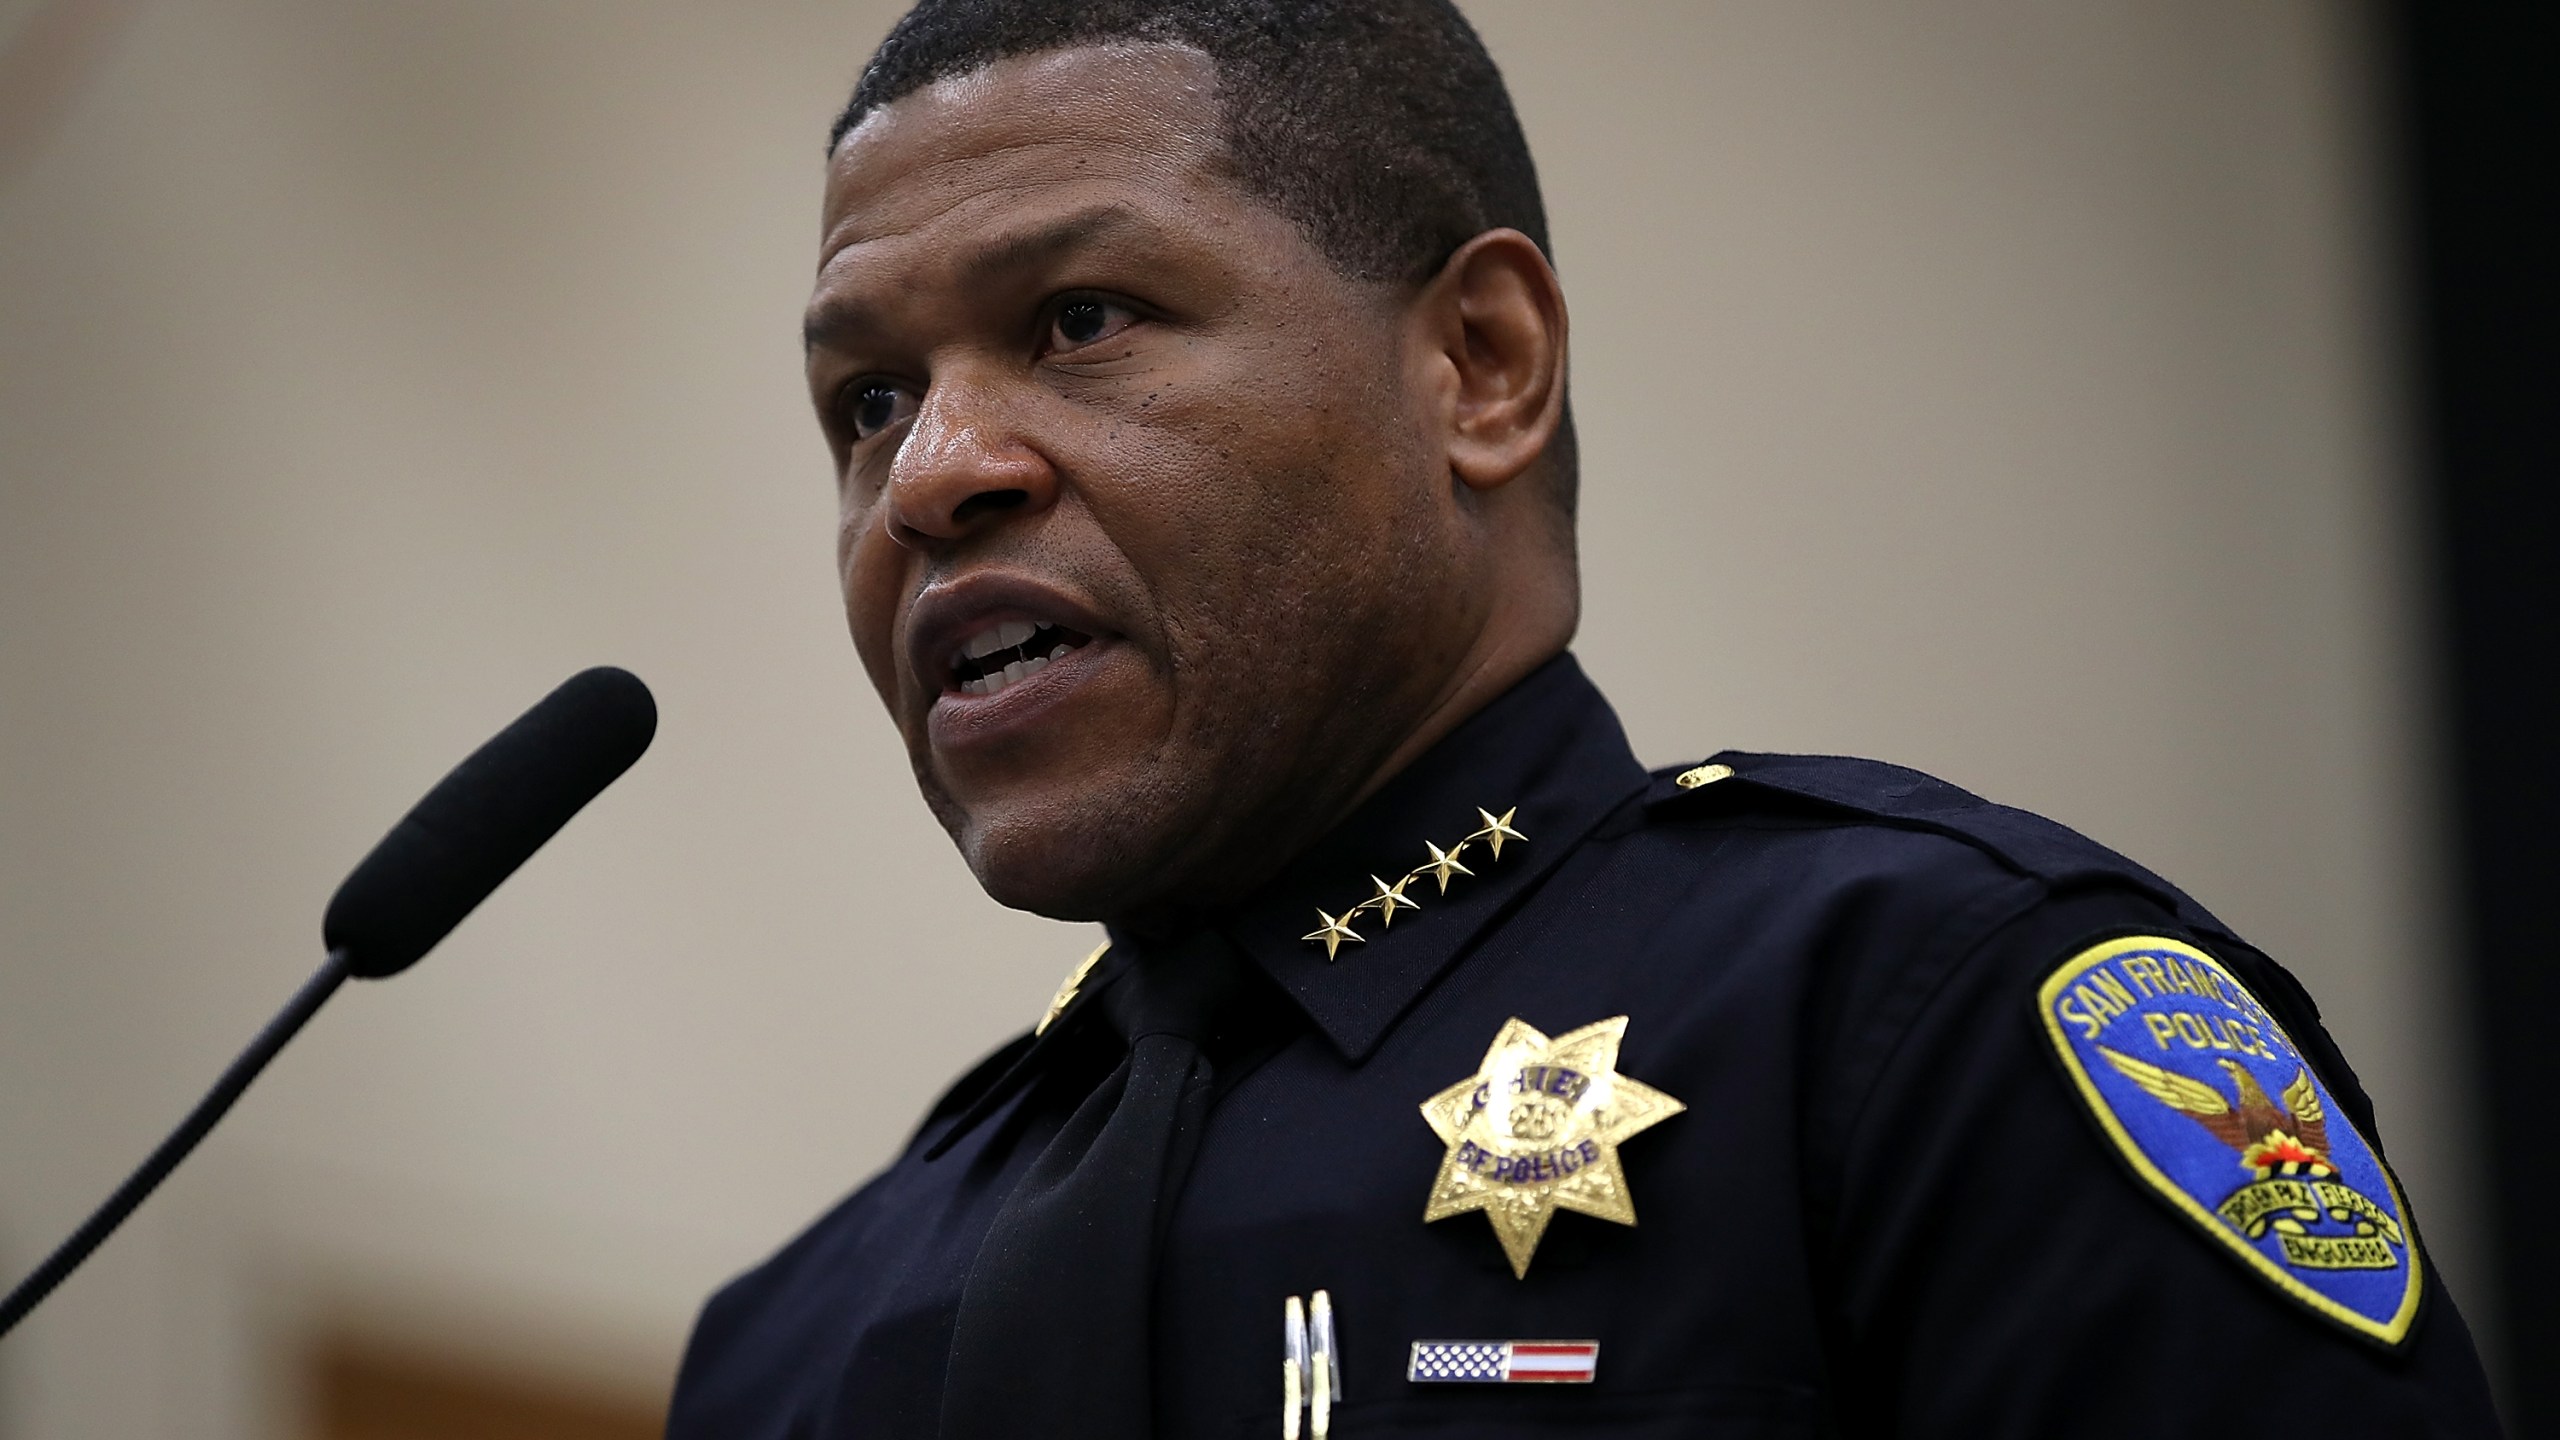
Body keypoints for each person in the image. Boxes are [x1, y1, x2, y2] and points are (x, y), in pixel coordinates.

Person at [669, 2, 2506, 1435]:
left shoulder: (1928, 1031)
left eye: (1080, 319)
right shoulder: (800, 1346)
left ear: (1481, 365)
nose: (933, 475)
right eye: (865, 401)